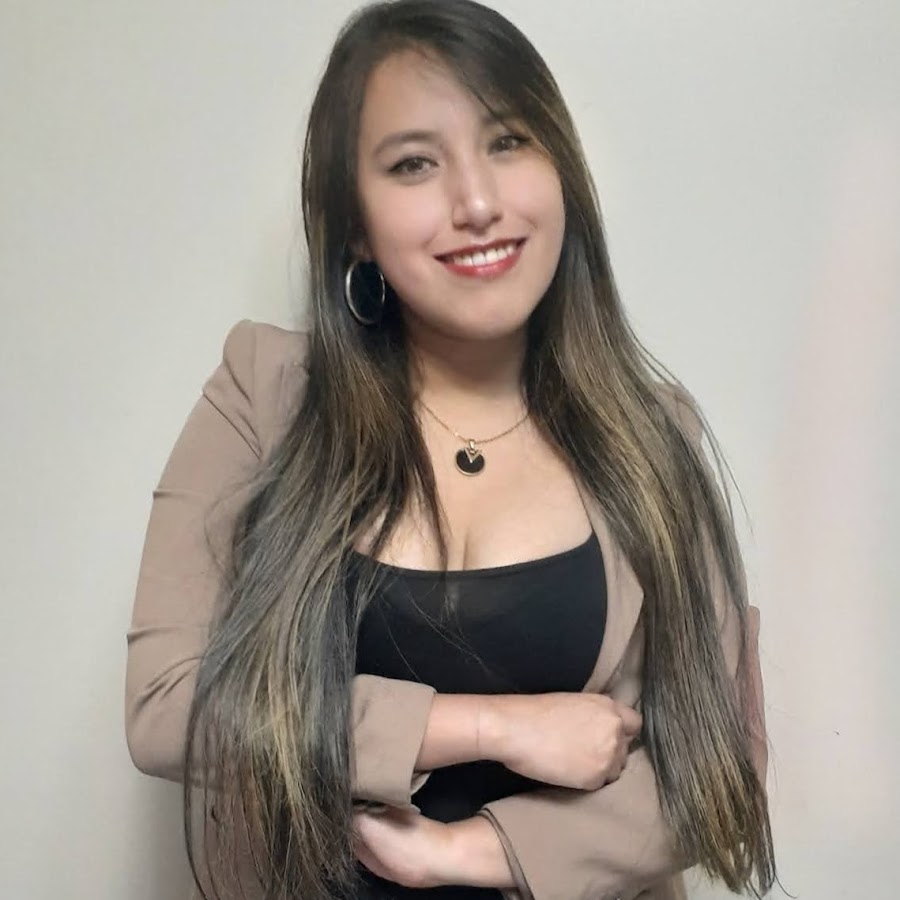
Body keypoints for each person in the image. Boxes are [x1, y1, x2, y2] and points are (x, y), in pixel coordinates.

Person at [125, 1, 776, 899]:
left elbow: (718, 767)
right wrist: (493, 727)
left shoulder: (653, 435)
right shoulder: (264, 394)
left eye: (507, 142)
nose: (476, 203)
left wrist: (470, 850)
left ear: (561, 170)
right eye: (414, 164)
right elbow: (168, 705)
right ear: (356, 222)